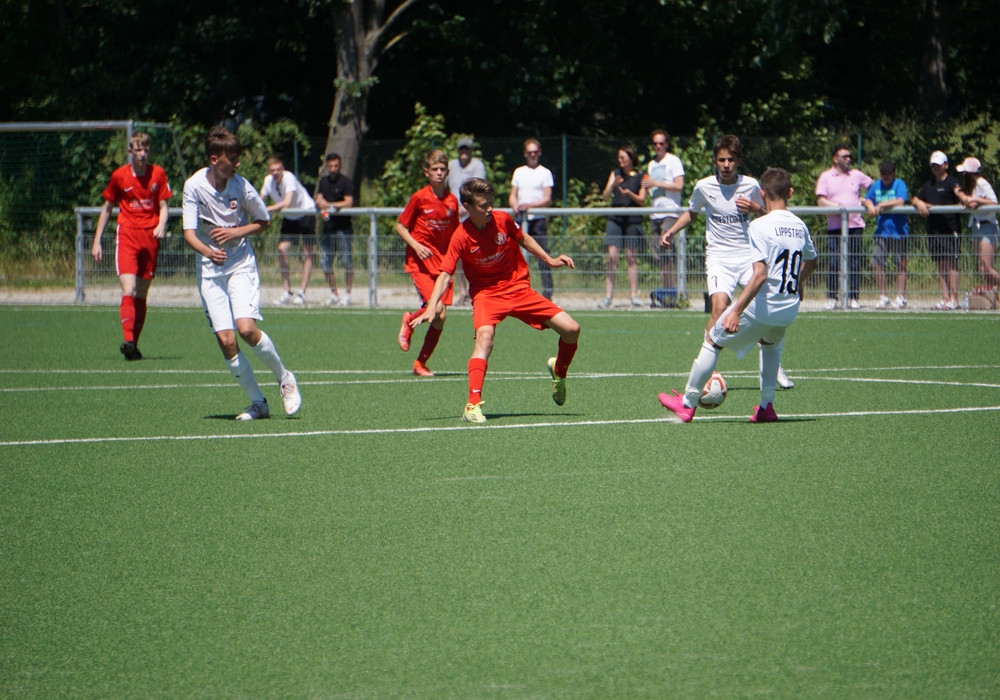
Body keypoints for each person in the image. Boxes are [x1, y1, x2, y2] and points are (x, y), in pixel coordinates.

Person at [411, 178, 580, 424]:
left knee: (572, 329)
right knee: (485, 339)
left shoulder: (502, 219)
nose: (490, 208)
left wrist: (550, 259)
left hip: (518, 289)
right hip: (486, 295)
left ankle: (559, 371)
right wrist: (431, 306)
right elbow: (445, 274)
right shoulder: (460, 236)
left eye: (491, 202)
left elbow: (523, 239)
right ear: (467, 207)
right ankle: (472, 405)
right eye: (483, 205)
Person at [659, 167, 818, 424]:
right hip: (789, 308)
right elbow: (812, 262)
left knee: (713, 340)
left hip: (765, 305)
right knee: (770, 345)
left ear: (762, 193)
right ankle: (766, 406)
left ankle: (687, 403)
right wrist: (798, 282)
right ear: (790, 192)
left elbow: (759, 276)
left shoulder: (759, 225)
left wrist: (735, 311)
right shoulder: (800, 226)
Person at [181, 126, 302, 421]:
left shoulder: (242, 186)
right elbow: (189, 233)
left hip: (240, 265)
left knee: (246, 329)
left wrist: (236, 232)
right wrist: (208, 252)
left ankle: (285, 378)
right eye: (231, 158)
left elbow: (264, 221)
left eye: (238, 157)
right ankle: (258, 404)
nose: (237, 163)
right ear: (214, 159)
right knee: (226, 341)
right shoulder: (193, 186)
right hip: (210, 271)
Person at [661, 134, 795, 389]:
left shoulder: (751, 185)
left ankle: (774, 363)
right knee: (719, 308)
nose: (726, 165)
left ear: (738, 161)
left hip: (748, 257)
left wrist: (755, 208)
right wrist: (672, 231)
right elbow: (692, 213)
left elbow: (772, 213)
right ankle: (707, 369)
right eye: (721, 160)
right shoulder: (704, 187)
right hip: (719, 258)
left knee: (766, 307)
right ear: (715, 161)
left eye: (731, 160)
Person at [90, 132, 173, 360]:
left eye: (145, 149)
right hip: (127, 235)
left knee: (142, 293)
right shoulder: (120, 176)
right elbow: (107, 208)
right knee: (129, 289)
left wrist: (162, 224)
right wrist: (97, 240)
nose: (142, 154)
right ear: (130, 151)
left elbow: (163, 206)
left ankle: (133, 346)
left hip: (150, 238)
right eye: (138, 150)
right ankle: (127, 340)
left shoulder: (158, 174)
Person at [395, 149, 460, 377]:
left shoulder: (452, 201)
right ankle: (409, 320)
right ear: (427, 172)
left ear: (447, 172)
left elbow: (455, 233)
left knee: (440, 317)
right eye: (435, 169)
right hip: (420, 263)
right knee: (437, 308)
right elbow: (400, 226)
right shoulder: (419, 197)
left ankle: (420, 363)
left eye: (442, 169)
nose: (439, 173)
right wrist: (416, 245)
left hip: (443, 265)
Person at [815, 145, 873, 309]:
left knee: (854, 262)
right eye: (844, 156)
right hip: (835, 226)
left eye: (850, 156)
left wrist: (866, 200)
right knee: (834, 261)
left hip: (855, 225)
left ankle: (853, 297)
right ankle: (832, 297)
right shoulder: (826, 177)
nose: (849, 159)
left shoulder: (856, 175)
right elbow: (821, 201)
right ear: (835, 159)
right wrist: (838, 207)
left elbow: (874, 187)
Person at [912, 151, 972, 310]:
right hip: (934, 229)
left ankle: (954, 299)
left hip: (950, 229)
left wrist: (965, 199)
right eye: (933, 165)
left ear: (946, 165)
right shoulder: (929, 184)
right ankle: (945, 298)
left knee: (952, 264)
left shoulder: (952, 181)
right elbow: (915, 198)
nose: (936, 168)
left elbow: (959, 192)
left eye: (938, 165)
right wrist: (919, 203)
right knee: (940, 264)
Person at [259, 156, 317, 306]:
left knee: (307, 253)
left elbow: (286, 203)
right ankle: (287, 291)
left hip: (306, 212)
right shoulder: (268, 181)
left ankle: (302, 292)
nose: (276, 173)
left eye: (278, 170)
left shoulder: (289, 177)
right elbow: (260, 199)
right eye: (272, 170)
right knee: (282, 249)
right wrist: (254, 208)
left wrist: (266, 209)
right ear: (269, 171)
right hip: (290, 217)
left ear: (283, 169)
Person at [599, 145, 647, 308]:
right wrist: (613, 185)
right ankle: (608, 296)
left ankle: (634, 295)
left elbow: (642, 200)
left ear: (631, 159)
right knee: (612, 257)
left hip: (632, 219)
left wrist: (630, 194)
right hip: (616, 218)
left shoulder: (641, 176)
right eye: (618, 157)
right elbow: (605, 196)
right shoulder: (615, 174)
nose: (620, 160)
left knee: (631, 257)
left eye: (623, 157)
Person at [509, 138, 555, 300]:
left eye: (535, 152)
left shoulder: (545, 172)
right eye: (530, 152)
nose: (532, 155)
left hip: (538, 220)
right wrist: (515, 205)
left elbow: (547, 199)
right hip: (521, 219)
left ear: (539, 153)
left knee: (542, 256)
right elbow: (513, 195)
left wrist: (530, 206)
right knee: (515, 255)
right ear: (525, 154)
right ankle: (515, 289)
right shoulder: (519, 172)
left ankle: (547, 293)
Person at [863, 160, 909, 309]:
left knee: (900, 264)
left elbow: (901, 201)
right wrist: (870, 205)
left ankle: (901, 296)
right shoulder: (876, 185)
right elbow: (867, 199)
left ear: (893, 173)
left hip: (898, 231)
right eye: (883, 173)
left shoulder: (899, 184)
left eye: (889, 173)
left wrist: (881, 205)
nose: (886, 176)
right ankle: (883, 296)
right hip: (881, 232)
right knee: (876, 263)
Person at [447, 137, 486, 304]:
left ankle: (477, 289)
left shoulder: (477, 165)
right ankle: (463, 292)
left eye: (467, 149)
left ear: (471, 150)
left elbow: (478, 189)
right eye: (461, 149)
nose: (464, 152)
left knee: (476, 254)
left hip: (472, 216)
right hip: (454, 218)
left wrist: (467, 207)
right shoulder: (451, 165)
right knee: (458, 256)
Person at [645, 129, 685, 292]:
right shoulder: (651, 164)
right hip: (655, 213)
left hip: (670, 212)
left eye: (661, 143)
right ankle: (665, 289)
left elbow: (679, 185)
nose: (658, 147)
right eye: (655, 144)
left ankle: (672, 290)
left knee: (666, 251)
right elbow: (650, 188)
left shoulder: (673, 161)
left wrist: (656, 183)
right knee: (657, 255)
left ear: (667, 144)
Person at [314, 152, 355, 306]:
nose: (333, 169)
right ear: (327, 166)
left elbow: (348, 202)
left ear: (340, 166)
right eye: (330, 166)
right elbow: (319, 198)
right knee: (325, 262)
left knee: (346, 261)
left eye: (336, 166)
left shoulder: (346, 182)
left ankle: (347, 294)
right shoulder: (323, 182)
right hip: (328, 228)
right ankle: (334, 293)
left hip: (344, 228)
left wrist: (330, 205)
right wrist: (320, 203)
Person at [957, 156, 1000, 290]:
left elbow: (994, 202)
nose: (963, 175)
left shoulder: (982, 183)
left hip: (988, 226)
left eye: (965, 172)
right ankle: (993, 295)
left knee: (987, 267)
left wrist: (978, 200)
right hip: (976, 225)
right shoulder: (971, 186)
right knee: (982, 268)